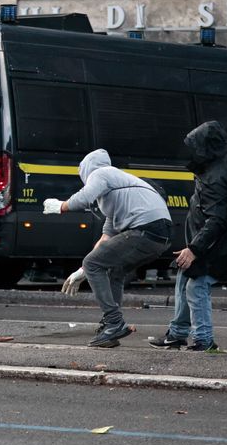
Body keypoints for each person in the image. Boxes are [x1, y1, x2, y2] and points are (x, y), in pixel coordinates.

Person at [149, 120, 227, 352]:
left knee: (197, 286)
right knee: (185, 278)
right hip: (208, 239)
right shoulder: (217, 166)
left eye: (195, 145)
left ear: (205, 147)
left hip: (214, 243)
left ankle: (204, 341)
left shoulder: (215, 176)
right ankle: (177, 334)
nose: (190, 151)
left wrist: (194, 249)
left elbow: (216, 220)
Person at [43, 149, 172, 348]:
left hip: (145, 229)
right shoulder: (117, 191)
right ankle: (110, 329)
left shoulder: (102, 173)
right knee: (113, 269)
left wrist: (61, 205)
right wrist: (82, 271)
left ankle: (114, 322)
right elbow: (106, 237)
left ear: (86, 170)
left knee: (93, 263)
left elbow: (84, 197)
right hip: (160, 236)